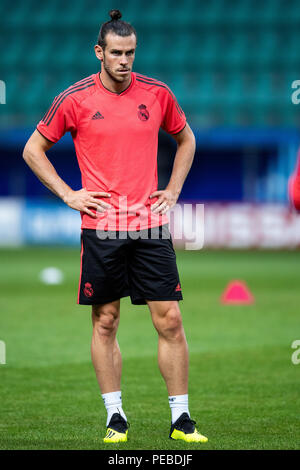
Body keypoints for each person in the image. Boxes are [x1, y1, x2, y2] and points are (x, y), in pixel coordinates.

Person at [23, 9, 208, 444]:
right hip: (102, 227)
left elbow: (187, 138)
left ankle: (181, 420)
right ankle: (115, 416)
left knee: (172, 321)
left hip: (149, 224)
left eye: (131, 53)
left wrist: (173, 189)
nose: (125, 61)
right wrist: (69, 195)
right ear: (99, 52)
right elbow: (34, 149)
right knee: (105, 321)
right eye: (117, 53)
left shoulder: (158, 93)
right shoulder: (75, 99)